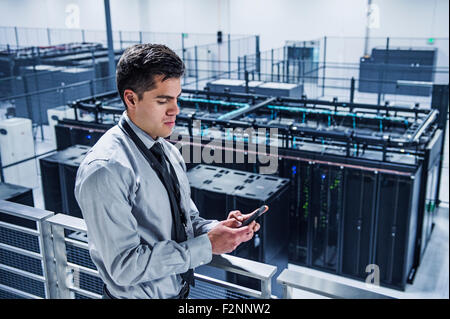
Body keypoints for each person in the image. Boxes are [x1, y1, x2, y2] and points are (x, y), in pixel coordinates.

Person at [74, 43, 260, 299]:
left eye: (176, 98)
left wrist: (218, 230)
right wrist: (206, 246)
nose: (175, 110)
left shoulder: (168, 151)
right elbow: (124, 267)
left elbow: (187, 223)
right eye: (163, 100)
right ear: (131, 98)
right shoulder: (106, 170)